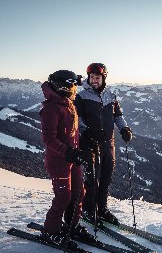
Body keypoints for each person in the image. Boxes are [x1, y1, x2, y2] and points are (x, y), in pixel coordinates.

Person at [40, 70, 96, 248]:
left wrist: (84, 147)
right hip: (59, 161)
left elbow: (71, 134)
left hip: (73, 157)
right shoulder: (51, 107)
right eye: (71, 85)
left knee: (79, 193)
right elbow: (49, 139)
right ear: (62, 87)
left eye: (74, 85)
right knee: (63, 197)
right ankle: (50, 232)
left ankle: (71, 226)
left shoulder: (68, 104)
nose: (73, 89)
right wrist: (72, 153)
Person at [75, 63, 132, 224]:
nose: (94, 80)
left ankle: (102, 209)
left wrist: (125, 129)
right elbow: (76, 120)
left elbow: (118, 116)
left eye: (97, 78)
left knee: (106, 178)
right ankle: (88, 210)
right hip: (90, 143)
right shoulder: (82, 96)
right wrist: (87, 131)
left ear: (103, 78)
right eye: (91, 77)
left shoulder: (111, 95)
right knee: (92, 180)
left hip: (108, 143)